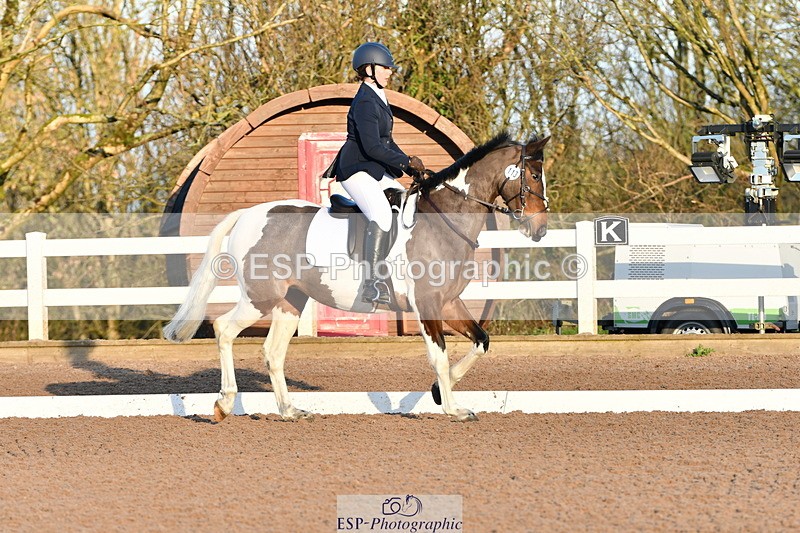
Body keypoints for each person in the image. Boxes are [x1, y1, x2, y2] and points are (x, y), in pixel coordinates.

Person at [335, 42, 426, 305]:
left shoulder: (378, 97)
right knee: (382, 214)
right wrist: (405, 162)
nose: (390, 72)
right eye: (386, 68)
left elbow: (386, 141)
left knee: (408, 204)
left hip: (373, 169)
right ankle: (371, 283)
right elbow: (373, 147)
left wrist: (408, 165)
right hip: (355, 170)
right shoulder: (364, 101)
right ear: (369, 69)